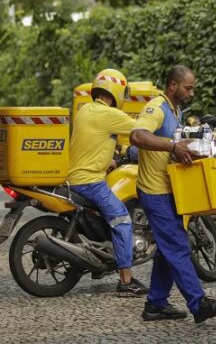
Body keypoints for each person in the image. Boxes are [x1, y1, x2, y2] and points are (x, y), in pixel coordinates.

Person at [130, 65, 216, 322]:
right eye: (188, 88)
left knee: (168, 248)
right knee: (177, 245)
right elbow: (137, 135)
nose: (192, 93)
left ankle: (156, 304)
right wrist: (173, 145)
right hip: (155, 191)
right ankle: (198, 304)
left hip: (170, 189)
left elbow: (173, 146)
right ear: (172, 85)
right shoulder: (157, 108)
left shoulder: (175, 111)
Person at [67, 68, 148, 297]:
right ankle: (126, 282)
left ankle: (99, 264)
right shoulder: (108, 114)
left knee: (107, 216)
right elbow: (142, 131)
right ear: (117, 91)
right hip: (90, 181)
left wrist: (110, 160)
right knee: (122, 220)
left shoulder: (86, 110)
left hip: (75, 177)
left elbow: (95, 143)